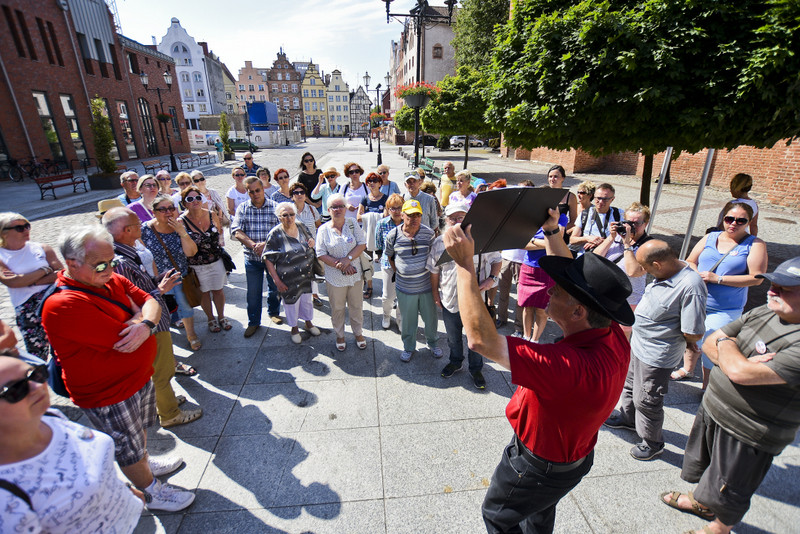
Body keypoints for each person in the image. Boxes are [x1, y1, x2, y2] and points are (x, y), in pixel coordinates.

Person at [442, 207, 633, 534]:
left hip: (535, 467)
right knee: (538, 514)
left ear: (578, 311)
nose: (548, 289)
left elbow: (480, 340)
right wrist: (552, 232)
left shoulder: (568, 367)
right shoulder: (612, 333)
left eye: (556, 290)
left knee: (497, 516)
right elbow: (574, 284)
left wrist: (463, 265)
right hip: (569, 462)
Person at [40, 226, 195, 512]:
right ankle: (150, 493)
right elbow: (122, 340)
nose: (110, 268)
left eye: (112, 261)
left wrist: (144, 322)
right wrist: (143, 318)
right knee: (127, 447)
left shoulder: (110, 277)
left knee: (138, 436)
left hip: (138, 378)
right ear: (72, 264)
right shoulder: (64, 304)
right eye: (101, 264)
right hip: (109, 393)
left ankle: (144, 464)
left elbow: (150, 299)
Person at [660, 256, 800, 534]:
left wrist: (729, 351)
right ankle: (703, 503)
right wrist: (729, 348)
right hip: (715, 410)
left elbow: (738, 372)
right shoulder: (765, 311)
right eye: (774, 284)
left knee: (733, 487)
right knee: (710, 471)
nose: (772, 290)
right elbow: (712, 341)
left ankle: (719, 528)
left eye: (785, 288)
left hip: (749, 431)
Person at [0, 356, 145, 532]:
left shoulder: (50, 417)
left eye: (35, 374)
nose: (37, 387)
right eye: (15, 390)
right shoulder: (5, 497)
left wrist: (123, 488)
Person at [604, 240, 706, 460]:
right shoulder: (665, 274)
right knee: (630, 385)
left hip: (657, 354)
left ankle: (653, 442)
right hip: (640, 345)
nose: (643, 272)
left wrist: (686, 341)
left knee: (647, 399)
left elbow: (694, 331)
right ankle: (629, 419)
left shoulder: (690, 286)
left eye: (645, 268)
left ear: (658, 265)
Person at [102, 207, 202, 428]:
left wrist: (156, 281)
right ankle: (170, 414)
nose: (141, 225)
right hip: (150, 324)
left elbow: (139, 287)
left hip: (155, 319)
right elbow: (134, 301)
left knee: (161, 368)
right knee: (162, 370)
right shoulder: (120, 261)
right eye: (137, 223)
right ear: (126, 230)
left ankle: (167, 401)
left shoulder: (126, 252)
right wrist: (161, 289)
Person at [673, 202, 768, 387]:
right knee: (690, 335)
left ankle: (708, 387)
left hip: (725, 308)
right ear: (723, 218)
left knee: (711, 344)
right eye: (729, 219)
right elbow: (691, 260)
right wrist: (696, 274)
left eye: (741, 220)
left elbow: (757, 278)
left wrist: (718, 279)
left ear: (749, 222)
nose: (734, 223)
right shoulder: (711, 237)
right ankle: (688, 369)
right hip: (697, 300)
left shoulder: (754, 244)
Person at [430, 203, 501, 389]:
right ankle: (455, 361)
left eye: (461, 217)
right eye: (453, 218)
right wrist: (435, 293)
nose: (457, 221)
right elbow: (434, 270)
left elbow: (497, 260)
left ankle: (476, 368)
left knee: (476, 339)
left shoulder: (482, 240)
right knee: (453, 338)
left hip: (475, 302)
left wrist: (492, 279)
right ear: (446, 220)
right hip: (450, 300)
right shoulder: (439, 242)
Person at [141, 194, 201, 351]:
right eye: (163, 209)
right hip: (156, 280)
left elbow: (191, 252)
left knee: (185, 306)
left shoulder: (180, 226)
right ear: (153, 212)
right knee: (159, 312)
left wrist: (182, 232)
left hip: (180, 276)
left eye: (171, 208)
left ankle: (191, 335)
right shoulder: (144, 230)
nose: (168, 212)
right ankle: (164, 342)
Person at [0, 213, 62, 360]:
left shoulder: (41, 248)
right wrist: (45, 270)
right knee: (37, 351)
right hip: (27, 307)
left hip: (53, 299)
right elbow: (13, 282)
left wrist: (31, 282)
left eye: (27, 226)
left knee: (62, 344)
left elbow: (61, 272)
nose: (26, 230)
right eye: (19, 228)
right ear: (3, 232)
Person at [384, 199, 440, 362]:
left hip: (426, 287)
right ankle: (409, 347)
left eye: (417, 215)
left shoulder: (429, 233)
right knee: (408, 321)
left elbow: (434, 257)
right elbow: (390, 257)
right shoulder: (393, 235)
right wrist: (401, 273)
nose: (414, 218)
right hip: (405, 288)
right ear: (402, 215)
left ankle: (433, 344)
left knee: (431, 319)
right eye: (410, 215)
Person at [263, 202, 322, 345]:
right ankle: (294, 328)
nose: (289, 218)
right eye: (285, 215)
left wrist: (311, 242)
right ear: (279, 217)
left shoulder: (301, 226)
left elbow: (310, 239)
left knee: (307, 300)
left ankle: (308, 323)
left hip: (306, 274)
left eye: (291, 214)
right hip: (288, 278)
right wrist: (277, 281)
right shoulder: (275, 234)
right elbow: (268, 259)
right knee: (291, 303)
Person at [593, 202, 654, 337]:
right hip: (606, 297)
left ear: (646, 223)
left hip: (628, 302)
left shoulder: (649, 246)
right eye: (628, 222)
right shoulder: (617, 239)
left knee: (620, 341)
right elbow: (595, 257)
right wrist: (611, 237)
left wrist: (627, 244)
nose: (631, 227)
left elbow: (633, 271)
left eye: (636, 223)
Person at [315, 193, 367, 351]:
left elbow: (362, 243)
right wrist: (341, 264)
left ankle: (358, 333)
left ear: (345, 209)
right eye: (334, 207)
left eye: (341, 206)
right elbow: (320, 253)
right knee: (337, 308)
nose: (338, 209)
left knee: (356, 306)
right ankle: (340, 335)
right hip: (334, 277)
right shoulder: (323, 229)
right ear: (328, 210)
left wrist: (348, 259)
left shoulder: (351, 223)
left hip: (355, 275)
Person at [232, 177, 282, 337]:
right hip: (252, 259)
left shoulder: (275, 207)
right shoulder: (243, 208)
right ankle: (253, 322)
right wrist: (253, 245)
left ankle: (273, 311)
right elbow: (236, 230)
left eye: (257, 190)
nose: (255, 194)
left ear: (263, 189)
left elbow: (283, 231)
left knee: (274, 288)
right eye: (251, 191)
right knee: (253, 293)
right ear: (247, 192)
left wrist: (266, 245)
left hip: (273, 259)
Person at [517, 193, 569, 342]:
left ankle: (535, 340)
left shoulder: (561, 217)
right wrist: (547, 242)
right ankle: (526, 337)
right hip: (528, 268)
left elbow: (556, 242)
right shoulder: (530, 218)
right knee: (526, 306)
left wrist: (533, 240)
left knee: (541, 310)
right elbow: (522, 243)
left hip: (547, 269)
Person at [179, 186, 231, 333]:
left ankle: (221, 316)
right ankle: (210, 318)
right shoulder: (181, 221)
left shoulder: (211, 214)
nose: (195, 201)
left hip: (216, 261)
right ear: (184, 203)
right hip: (196, 265)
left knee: (218, 291)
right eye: (190, 199)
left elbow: (219, 232)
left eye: (198, 197)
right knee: (204, 293)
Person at [375, 193, 405, 330]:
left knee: (402, 296)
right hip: (388, 264)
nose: (396, 211)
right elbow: (379, 245)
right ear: (388, 209)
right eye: (393, 208)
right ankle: (386, 315)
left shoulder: (408, 223)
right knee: (387, 296)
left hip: (405, 265)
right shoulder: (381, 224)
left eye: (399, 207)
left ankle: (400, 318)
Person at [290, 182, 322, 306]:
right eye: (296, 193)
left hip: (310, 247)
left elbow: (319, 226)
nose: (299, 195)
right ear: (292, 196)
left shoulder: (312, 209)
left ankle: (315, 295)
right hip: (294, 248)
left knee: (311, 272)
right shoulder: (288, 210)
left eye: (302, 192)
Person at [569, 182, 622, 255]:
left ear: (612, 199)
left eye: (605, 199)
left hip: (610, 256)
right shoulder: (585, 214)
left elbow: (627, 238)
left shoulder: (619, 214)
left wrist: (601, 242)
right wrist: (588, 238)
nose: (600, 202)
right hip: (587, 256)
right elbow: (572, 240)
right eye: (598, 198)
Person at [358, 172, 388, 299]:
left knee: (385, 262)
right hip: (367, 236)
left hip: (381, 236)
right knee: (367, 262)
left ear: (380, 183)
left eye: (375, 180)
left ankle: (387, 287)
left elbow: (386, 216)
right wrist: (374, 216)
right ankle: (369, 286)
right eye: (369, 181)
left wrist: (369, 216)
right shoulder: (365, 199)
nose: (372, 183)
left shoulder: (385, 198)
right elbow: (359, 217)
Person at [546, 165, 578, 232]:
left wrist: (559, 230)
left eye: (556, 176)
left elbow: (573, 221)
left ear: (563, 178)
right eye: (550, 176)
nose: (552, 179)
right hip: (542, 231)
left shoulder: (571, 197)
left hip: (560, 232)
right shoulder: (543, 194)